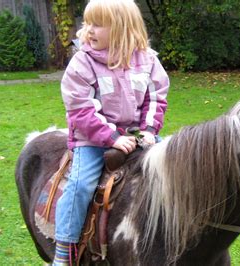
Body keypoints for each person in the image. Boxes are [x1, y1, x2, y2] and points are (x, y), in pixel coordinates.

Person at [54, 0, 169, 264]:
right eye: (87, 23)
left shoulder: (148, 61)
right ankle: (64, 249)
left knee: (172, 165)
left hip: (136, 134)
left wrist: (148, 130)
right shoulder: (82, 63)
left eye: (97, 24)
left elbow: (156, 98)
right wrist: (113, 138)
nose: (88, 30)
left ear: (121, 28)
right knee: (80, 184)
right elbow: (81, 110)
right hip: (91, 140)